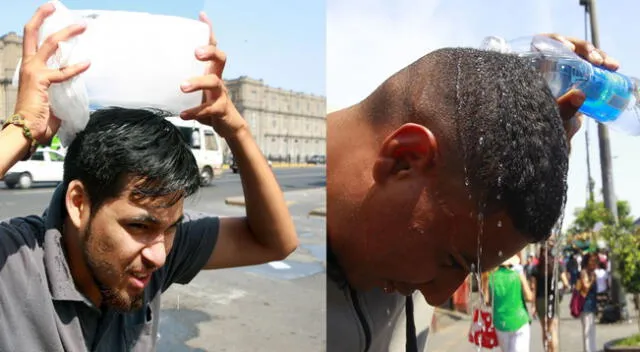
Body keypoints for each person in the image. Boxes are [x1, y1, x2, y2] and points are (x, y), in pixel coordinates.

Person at [0, 4, 298, 351]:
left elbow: (274, 242)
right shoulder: (13, 261)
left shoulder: (153, 259)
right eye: (139, 227)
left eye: (171, 228)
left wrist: (237, 129)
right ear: (79, 203)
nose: (159, 256)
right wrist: (23, 128)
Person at [326, 33, 620, 351]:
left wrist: (517, 99)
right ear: (403, 160)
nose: (438, 296)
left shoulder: (408, 245)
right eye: (450, 261)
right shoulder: (277, 237)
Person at [487, 255, 534, 352]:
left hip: (500, 323)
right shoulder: (517, 275)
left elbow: (487, 301)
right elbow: (529, 297)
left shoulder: (491, 277)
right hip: (519, 321)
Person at [530, 245, 570, 352]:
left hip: (540, 301)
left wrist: (533, 306)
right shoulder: (556, 266)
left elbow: (533, 288)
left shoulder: (536, 269)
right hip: (553, 300)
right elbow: (566, 284)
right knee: (553, 329)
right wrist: (559, 293)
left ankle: (547, 350)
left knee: (545, 329)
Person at [578, 252, 599, 352]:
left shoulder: (591, 273)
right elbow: (585, 288)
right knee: (587, 331)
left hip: (592, 305)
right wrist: (592, 280)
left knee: (592, 330)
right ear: (587, 262)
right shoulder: (584, 272)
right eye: (592, 261)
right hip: (586, 306)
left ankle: (593, 349)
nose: (594, 263)